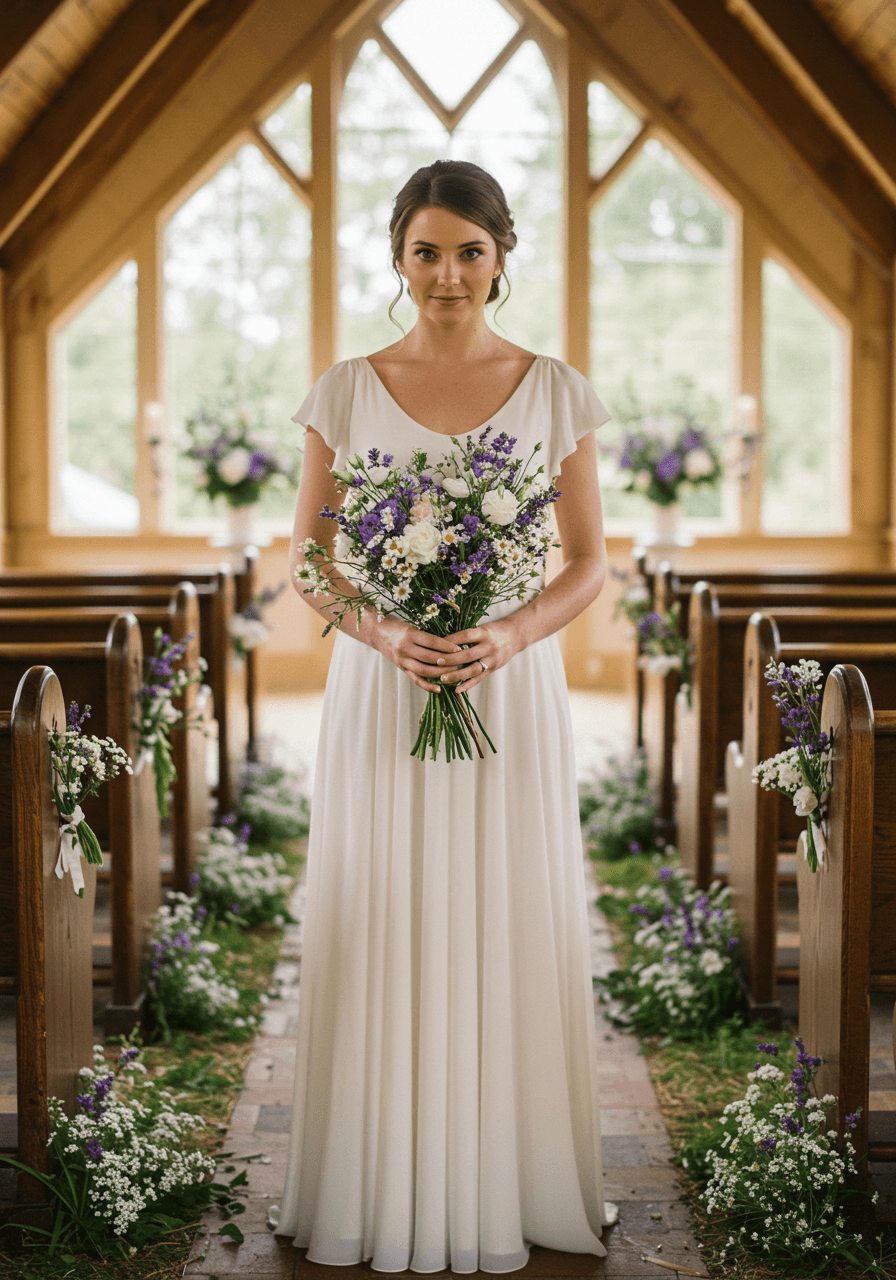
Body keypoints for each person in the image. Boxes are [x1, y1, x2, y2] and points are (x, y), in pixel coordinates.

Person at [278, 159, 612, 1273]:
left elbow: (586, 563)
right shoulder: (343, 387)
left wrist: (507, 634)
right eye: (426, 250)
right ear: (396, 257)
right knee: (387, 910)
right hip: (382, 694)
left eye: (469, 250)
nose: (447, 273)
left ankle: (508, 1171)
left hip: (506, 690)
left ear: (502, 256)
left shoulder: (554, 387)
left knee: (502, 909)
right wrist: (380, 633)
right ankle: (372, 1179)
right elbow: (309, 562)